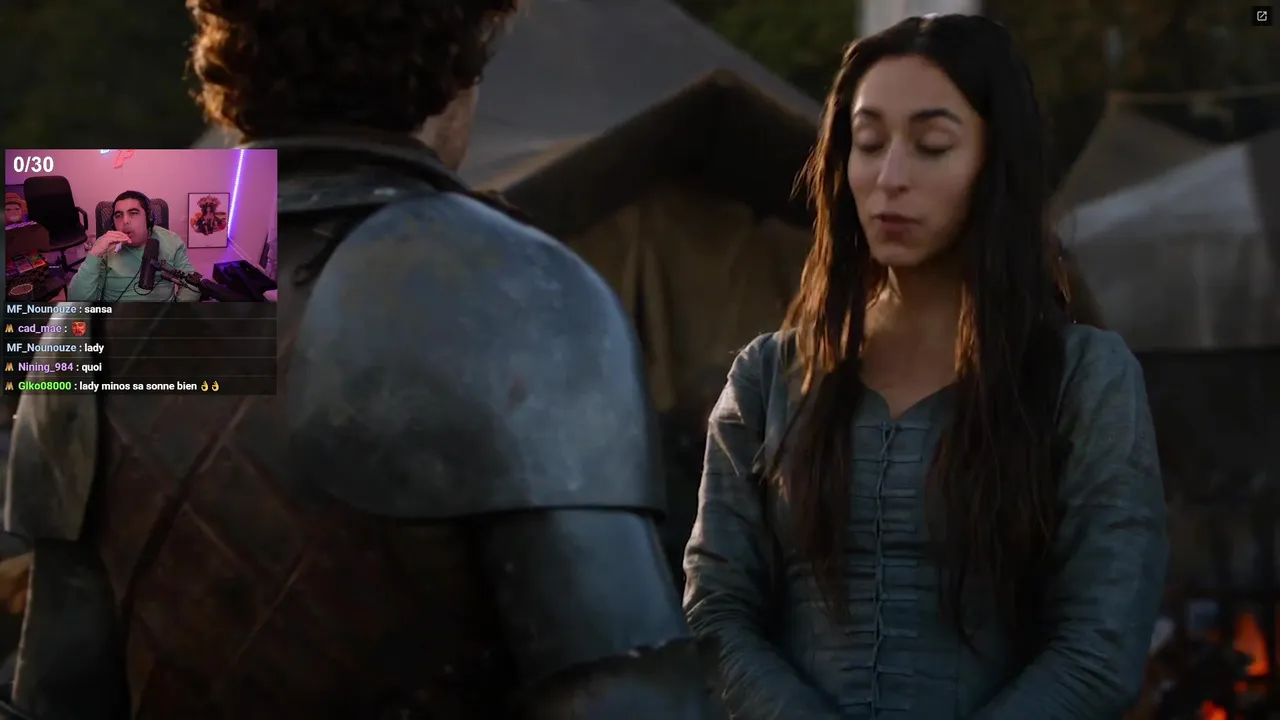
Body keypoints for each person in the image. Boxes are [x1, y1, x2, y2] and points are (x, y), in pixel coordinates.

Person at [2, 0, 717, 718]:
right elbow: (624, 688)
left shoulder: (108, 286)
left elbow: (58, 686)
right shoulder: (516, 283)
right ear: (452, 69)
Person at [683, 15, 1168, 720]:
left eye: (932, 146)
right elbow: (716, 611)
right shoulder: (767, 379)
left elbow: (1101, 647)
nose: (890, 178)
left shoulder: (1083, 380)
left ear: (995, 165)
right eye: (868, 143)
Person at [65, 190, 200, 302]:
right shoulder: (103, 246)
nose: (125, 221)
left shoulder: (171, 241)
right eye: (118, 215)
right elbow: (77, 300)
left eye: (133, 213)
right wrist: (94, 255)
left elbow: (192, 285)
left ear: (149, 218)